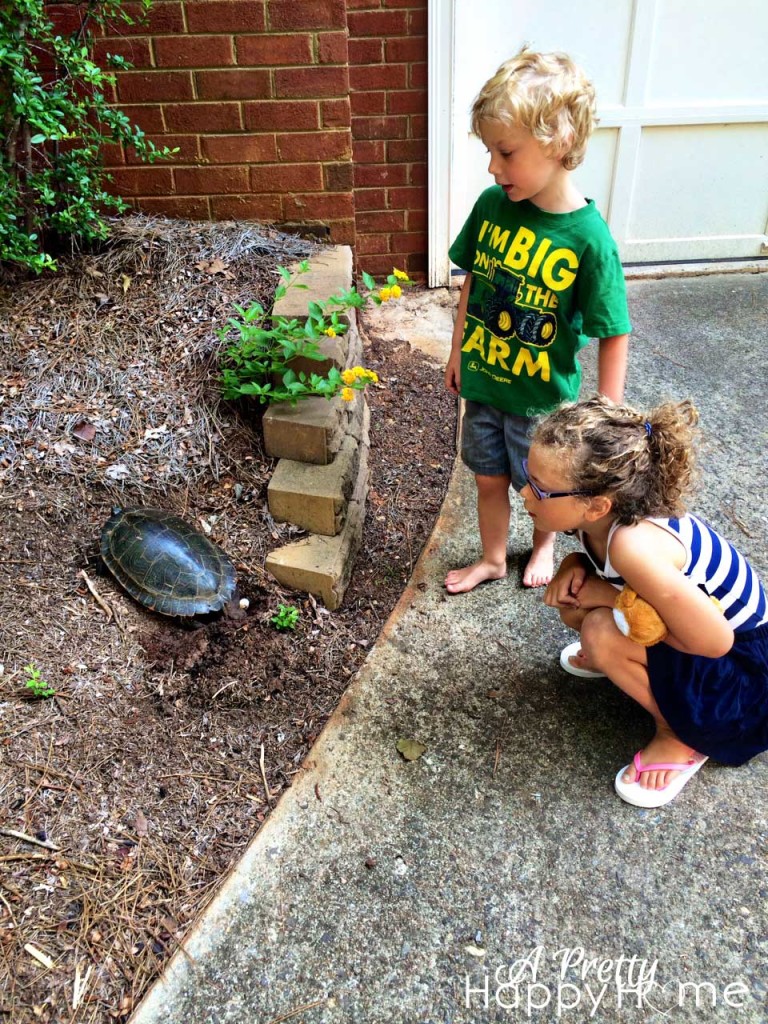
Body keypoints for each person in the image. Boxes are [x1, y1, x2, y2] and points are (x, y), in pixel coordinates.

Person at [445, 47, 631, 593]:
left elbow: (612, 329)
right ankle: (493, 558)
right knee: (488, 478)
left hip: (543, 403)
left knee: (542, 488)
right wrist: (457, 352)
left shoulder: (588, 238)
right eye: (489, 151)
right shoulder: (491, 205)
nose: (492, 167)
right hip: (483, 384)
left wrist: (606, 416)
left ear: (561, 142)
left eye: (505, 152)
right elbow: (474, 282)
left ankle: (544, 544)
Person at [528, 395, 768, 807]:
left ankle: (681, 734)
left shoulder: (635, 546)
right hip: (707, 643)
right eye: (526, 476)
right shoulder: (602, 517)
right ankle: (640, 671)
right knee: (578, 608)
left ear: (596, 505)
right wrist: (573, 562)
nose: (524, 494)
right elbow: (614, 579)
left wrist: (606, 597)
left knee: (598, 631)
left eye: (539, 489)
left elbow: (716, 641)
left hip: (742, 678)